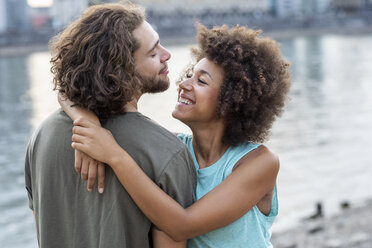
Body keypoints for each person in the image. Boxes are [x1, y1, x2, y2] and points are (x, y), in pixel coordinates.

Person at [61, 23, 291, 247]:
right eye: (190, 74)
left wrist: (114, 156)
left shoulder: (259, 162)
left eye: (201, 80)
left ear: (233, 101)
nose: (183, 84)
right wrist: (86, 121)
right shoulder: (173, 150)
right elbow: (64, 92)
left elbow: (183, 226)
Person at [24, 3, 197, 248]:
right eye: (153, 53)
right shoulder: (168, 153)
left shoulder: (42, 136)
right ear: (122, 71)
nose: (166, 54)